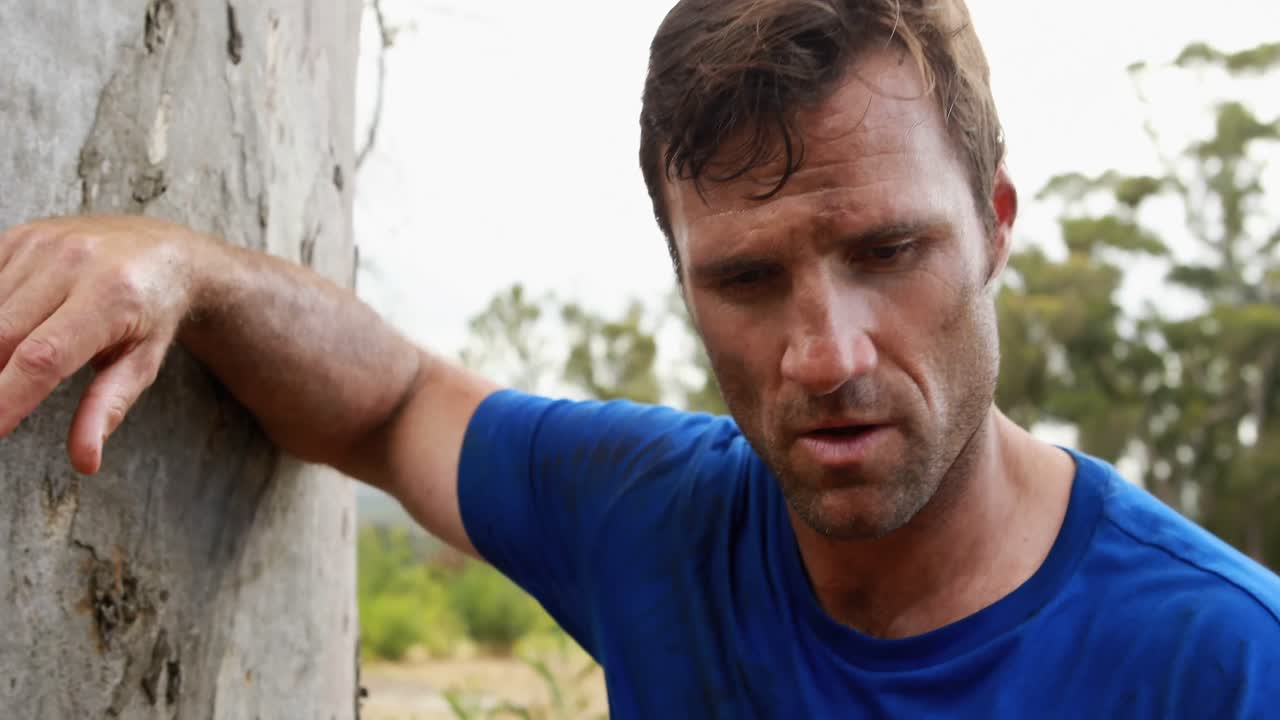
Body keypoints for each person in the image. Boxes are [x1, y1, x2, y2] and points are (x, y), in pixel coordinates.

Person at [3, 0, 1278, 716]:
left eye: (890, 249)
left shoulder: (1220, 663)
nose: (825, 355)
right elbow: (393, 402)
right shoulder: (653, 520)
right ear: (677, 269)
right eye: (743, 277)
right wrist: (187, 268)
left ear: (993, 226)